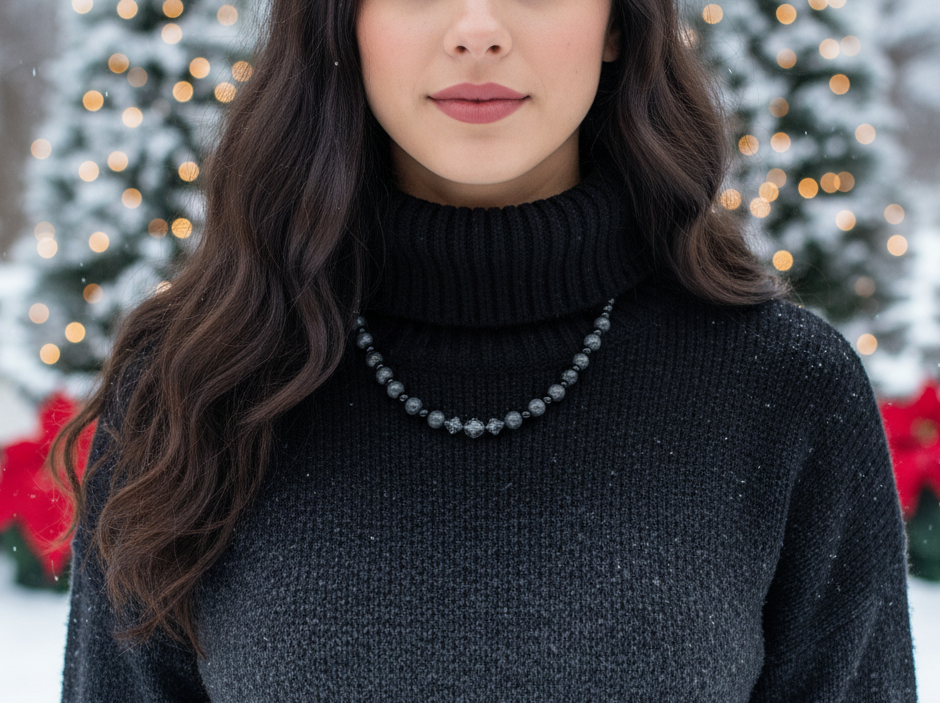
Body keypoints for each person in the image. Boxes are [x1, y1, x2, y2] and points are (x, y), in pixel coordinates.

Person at [53, 0, 918, 700]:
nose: (477, 28)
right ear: (340, 22)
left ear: (619, 22)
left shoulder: (786, 388)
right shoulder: (197, 378)